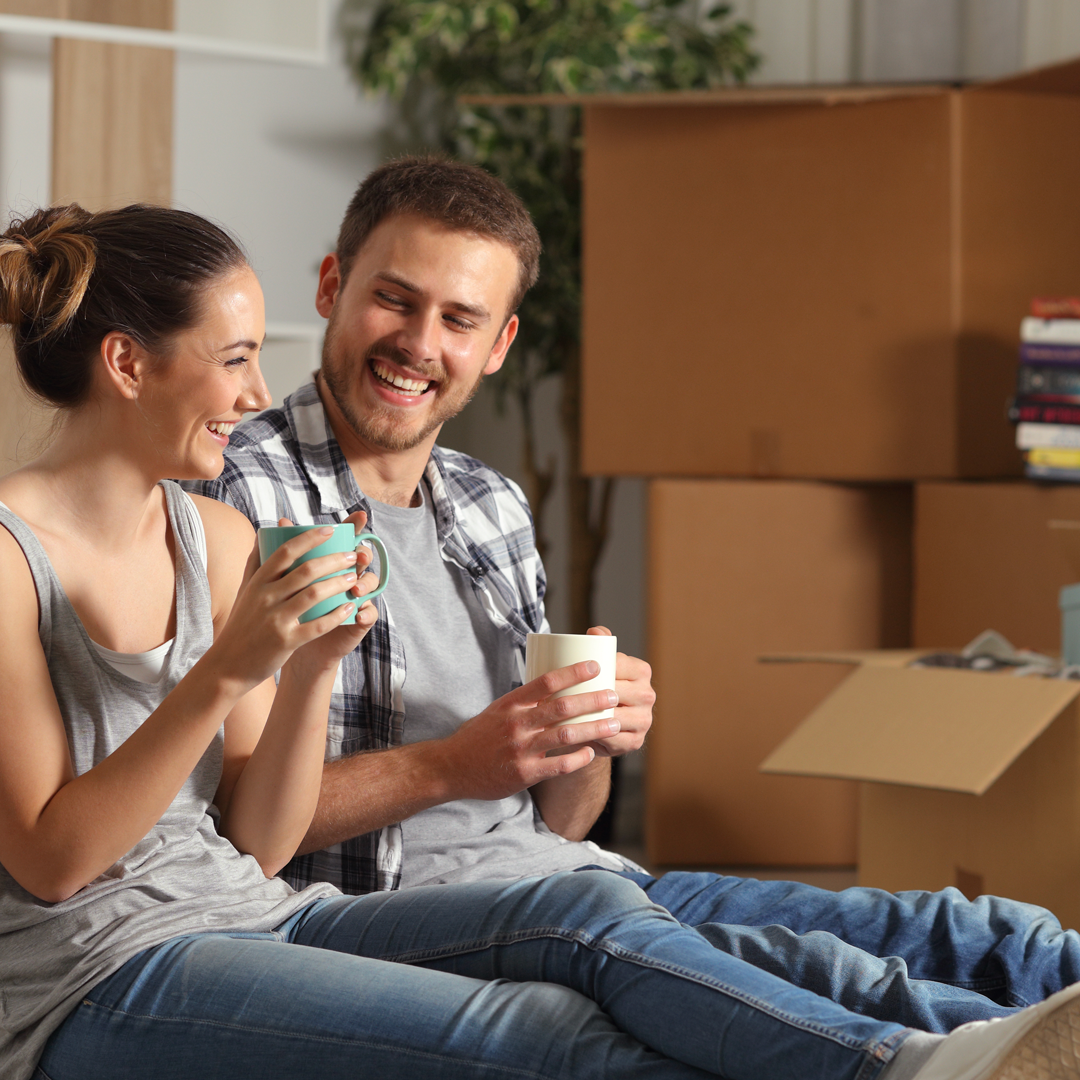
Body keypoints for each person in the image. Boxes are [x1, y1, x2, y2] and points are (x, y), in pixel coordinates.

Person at [7, 200, 1063, 1080]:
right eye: (234, 357)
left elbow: (258, 847)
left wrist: (313, 669)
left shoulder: (233, 530)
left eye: (461, 317)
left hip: (272, 908)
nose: (248, 390)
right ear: (128, 364)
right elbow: (55, 864)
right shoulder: (46, 548)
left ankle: (926, 1061)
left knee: (591, 916)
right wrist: (237, 667)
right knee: (557, 1034)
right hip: (103, 964)